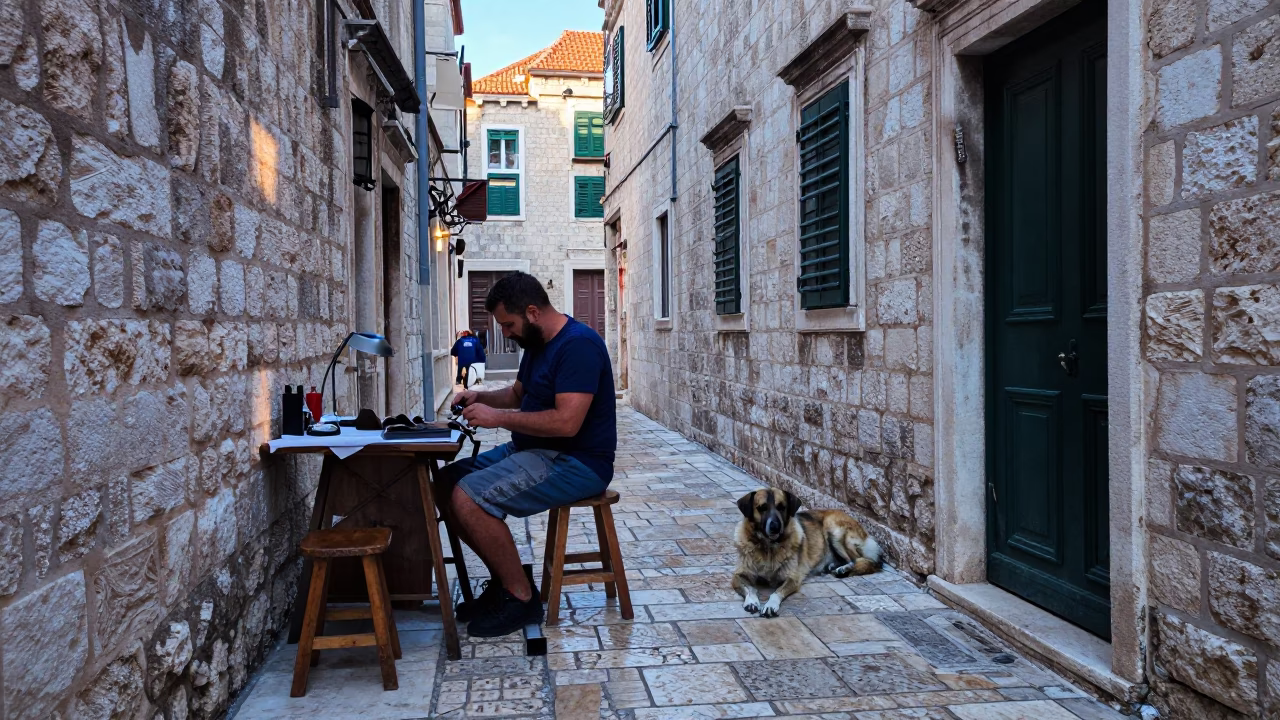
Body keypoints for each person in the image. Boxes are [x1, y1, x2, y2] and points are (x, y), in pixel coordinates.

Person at [437, 272, 616, 637]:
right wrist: (481, 398)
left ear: (532, 312)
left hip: (576, 462)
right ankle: (506, 582)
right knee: (444, 483)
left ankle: (520, 597)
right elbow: (519, 394)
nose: (505, 333)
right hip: (533, 450)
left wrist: (496, 419)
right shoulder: (537, 344)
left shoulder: (579, 346)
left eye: (508, 324)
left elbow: (567, 423)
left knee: (469, 497)